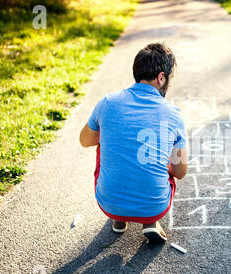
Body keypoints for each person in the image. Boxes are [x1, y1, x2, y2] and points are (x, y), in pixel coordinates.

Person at [79, 43, 188, 243]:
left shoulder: (107, 103)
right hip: (155, 206)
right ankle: (151, 222)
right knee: (167, 166)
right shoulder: (174, 115)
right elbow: (180, 173)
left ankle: (119, 218)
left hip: (108, 203)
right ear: (161, 77)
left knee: (103, 142)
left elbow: (85, 141)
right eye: (170, 79)